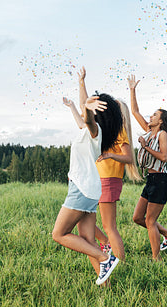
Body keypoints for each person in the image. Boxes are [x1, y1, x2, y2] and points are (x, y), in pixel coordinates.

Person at [52, 91, 123, 285]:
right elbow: (83, 123)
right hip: (90, 190)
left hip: (82, 189)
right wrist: (74, 106)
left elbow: (89, 122)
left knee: (59, 234)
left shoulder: (96, 130)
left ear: (98, 112)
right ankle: (106, 283)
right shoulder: (92, 133)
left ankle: (105, 258)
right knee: (88, 240)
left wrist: (86, 108)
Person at [73, 67, 142, 263]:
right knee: (81, 219)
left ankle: (120, 262)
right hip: (97, 180)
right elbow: (85, 108)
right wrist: (81, 83)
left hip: (109, 180)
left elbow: (129, 158)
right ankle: (105, 243)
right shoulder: (101, 129)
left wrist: (109, 154)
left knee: (109, 225)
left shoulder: (119, 132)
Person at [127, 74, 167, 261]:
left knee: (150, 221)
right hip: (151, 180)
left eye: (154, 115)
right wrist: (132, 89)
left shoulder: (162, 134)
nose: (151, 116)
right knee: (137, 218)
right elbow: (134, 111)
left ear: (161, 121)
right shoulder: (149, 131)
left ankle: (156, 259)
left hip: (161, 181)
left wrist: (145, 146)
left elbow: (164, 157)